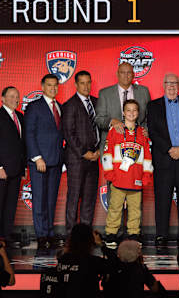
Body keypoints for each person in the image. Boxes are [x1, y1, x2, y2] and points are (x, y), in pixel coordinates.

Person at [147, 73, 179, 247]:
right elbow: (152, 131)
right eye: (169, 83)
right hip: (163, 159)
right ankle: (161, 235)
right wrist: (169, 149)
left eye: (175, 83)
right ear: (163, 85)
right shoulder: (153, 106)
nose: (172, 87)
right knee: (162, 199)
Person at [102, 99, 153, 246]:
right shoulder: (114, 131)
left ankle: (133, 234)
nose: (131, 113)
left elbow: (148, 158)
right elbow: (107, 154)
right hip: (118, 179)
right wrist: (110, 175)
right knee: (115, 208)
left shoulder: (142, 133)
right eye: (128, 110)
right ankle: (111, 233)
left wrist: (146, 176)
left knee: (135, 210)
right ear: (123, 113)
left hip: (136, 180)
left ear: (138, 113)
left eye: (134, 110)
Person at [25, 74, 64, 249]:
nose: (53, 88)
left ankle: (49, 232)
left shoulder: (60, 107)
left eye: (55, 85)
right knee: (40, 199)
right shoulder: (34, 107)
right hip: (39, 161)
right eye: (49, 85)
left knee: (50, 200)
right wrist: (37, 157)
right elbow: (29, 133)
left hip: (56, 160)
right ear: (42, 86)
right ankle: (41, 234)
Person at [0, 86, 26, 248]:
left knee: (10, 205)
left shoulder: (21, 117)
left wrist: (23, 169)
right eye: (10, 96)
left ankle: (6, 235)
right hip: (0, 170)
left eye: (17, 96)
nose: (14, 99)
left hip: (16, 169)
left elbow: (22, 145)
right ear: (2, 98)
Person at [62, 70, 100, 235]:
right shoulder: (70, 105)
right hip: (77, 158)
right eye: (82, 83)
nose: (86, 86)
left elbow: (101, 129)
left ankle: (85, 233)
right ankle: (71, 233)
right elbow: (69, 134)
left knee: (89, 197)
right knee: (74, 196)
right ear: (76, 84)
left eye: (88, 82)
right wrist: (84, 153)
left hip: (95, 157)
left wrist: (98, 150)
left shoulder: (97, 103)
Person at [95, 62, 151, 152]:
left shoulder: (144, 91)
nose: (126, 76)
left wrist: (147, 130)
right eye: (122, 72)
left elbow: (150, 117)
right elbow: (98, 119)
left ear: (133, 75)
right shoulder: (105, 93)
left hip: (138, 144)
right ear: (117, 74)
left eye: (129, 72)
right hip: (111, 145)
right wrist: (112, 121)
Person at [50, 224, 107, 298]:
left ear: (71, 239)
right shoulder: (93, 262)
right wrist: (101, 244)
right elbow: (115, 265)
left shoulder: (62, 259)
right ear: (90, 241)